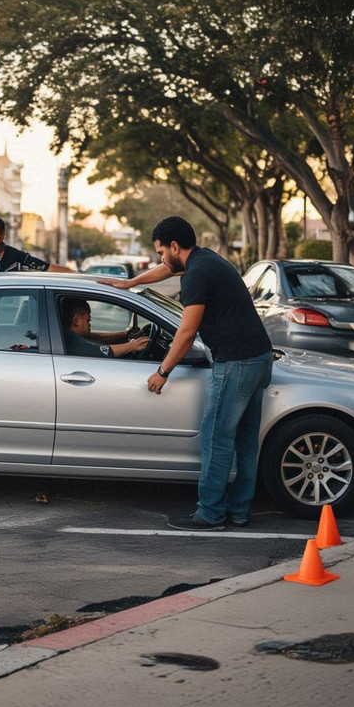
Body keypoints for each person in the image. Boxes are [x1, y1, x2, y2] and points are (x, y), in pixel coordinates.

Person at [110, 216, 273, 531]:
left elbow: (185, 333)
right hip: (258, 358)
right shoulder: (204, 260)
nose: (159, 258)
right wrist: (131, 283)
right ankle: (238, 511)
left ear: (174, 246)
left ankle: (210, 514)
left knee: (216, 438)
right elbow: (167, 269)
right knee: (245, 442)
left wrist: (162, 371)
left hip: (236, 363)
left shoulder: (197, 274)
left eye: (160, 251)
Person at [63, 298, 150, 358]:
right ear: (76, 320)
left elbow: (95, 336)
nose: (89, 324)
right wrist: (131, 346)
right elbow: (100, 351)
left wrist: (125, 333)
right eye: (88, 320)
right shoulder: (71, 341)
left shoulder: (67, 333)